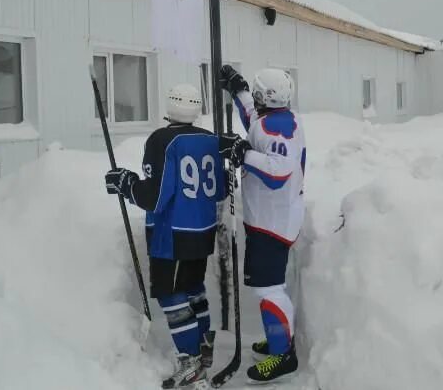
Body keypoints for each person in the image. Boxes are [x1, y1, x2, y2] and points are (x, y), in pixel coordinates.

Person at [105, 83, 225, 389]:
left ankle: (190, 362)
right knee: (193, 288)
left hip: (171, 234)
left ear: (169, 106)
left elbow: (156, 197)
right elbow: (221, 188)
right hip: (202, 230)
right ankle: (203, 349)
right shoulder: (210, 139)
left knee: (171, 296)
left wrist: (127, 184)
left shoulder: (162, 140)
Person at [217, 65, 306, 384]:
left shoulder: (277, 129)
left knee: (269, 288)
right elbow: (251, 118)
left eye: (255, 91)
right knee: (265, 287)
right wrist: (236, 88)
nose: (252, 97)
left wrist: (243, 154)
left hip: (273, 222)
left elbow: (278, 172)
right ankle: (276, 340)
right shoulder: (272, 118)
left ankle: (284, 355)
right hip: (268, 219)